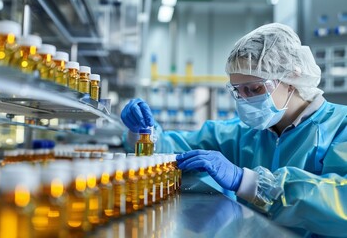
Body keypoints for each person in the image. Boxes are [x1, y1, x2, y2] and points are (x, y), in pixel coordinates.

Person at [121, 23, 347, 237]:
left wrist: (249, 182)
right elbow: (176, 149)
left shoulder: (340, 126)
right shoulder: (245, 133)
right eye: (238, 91)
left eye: (255, 88)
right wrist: (142, 133)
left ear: (292, 77)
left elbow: (341, 200)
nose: (246, 99)